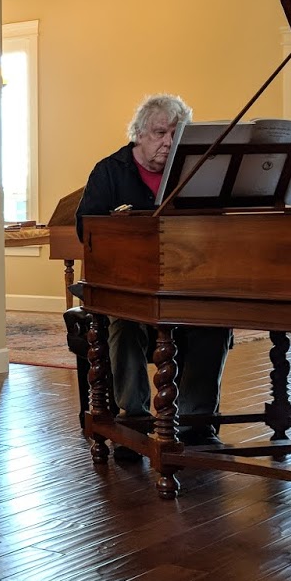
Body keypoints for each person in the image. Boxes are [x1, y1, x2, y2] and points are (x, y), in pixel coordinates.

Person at [76, 93, 231, 446]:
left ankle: (196, 422)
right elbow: (87, 230)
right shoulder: (109, 172)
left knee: (215, 323)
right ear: (139, 134)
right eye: (161, 133)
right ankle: (134, 420)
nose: (169, 142)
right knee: (124, 323)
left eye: (176, 135)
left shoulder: (194, 173)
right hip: (127, 285)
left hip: (183, 284)